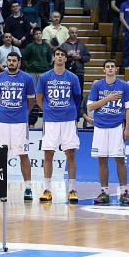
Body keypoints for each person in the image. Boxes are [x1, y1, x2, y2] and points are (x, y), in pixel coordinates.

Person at [36, 48, 83, 203]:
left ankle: (72, 189)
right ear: (54, 57)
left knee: (71, 153)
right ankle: (47, 189)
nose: (60, 57)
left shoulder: (73, 77)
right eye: (57, 55)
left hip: (68, 119)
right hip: (50, 121)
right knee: (48, 153)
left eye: (63, 55)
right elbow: (39, 98)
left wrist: (70, 111)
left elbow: (77, 98)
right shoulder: (44, 77)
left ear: (65, 58)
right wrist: (48, 110)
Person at [88, 60, 129, 205]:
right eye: (107, 67)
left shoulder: (124, 86)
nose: (110, 69)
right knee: (102, 159)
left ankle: (124, 192)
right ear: (104, 70)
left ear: (116, 69)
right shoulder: (97, 85)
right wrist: (107, 99)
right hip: (100, 127)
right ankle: (104, 192)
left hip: (116, 127)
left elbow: (128, 109)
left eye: (112, 67)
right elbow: (90, 107)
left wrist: (127, 128)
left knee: (119, 159)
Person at [0, 52, 36, 200]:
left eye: (14, 60)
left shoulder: (27, 78)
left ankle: (28, 187)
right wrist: (2, 112)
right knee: (1, 155)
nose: (11, 62)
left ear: (19, 62)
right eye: (9, 60)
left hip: (19, 123)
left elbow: (31, 101)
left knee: (23, 154)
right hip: (2, 122)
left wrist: (24, 113)